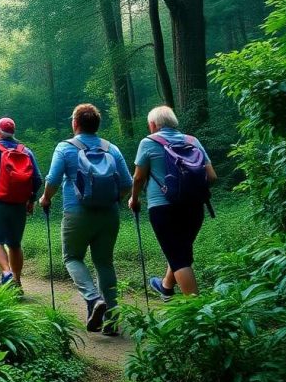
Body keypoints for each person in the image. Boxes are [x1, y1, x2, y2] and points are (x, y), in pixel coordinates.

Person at [39, 104, 133, 335]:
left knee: (72, 257)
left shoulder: (65, 148)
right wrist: (112, 199)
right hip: (109, 215)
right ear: (97, 124)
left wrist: (45, 198)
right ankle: (111, 321)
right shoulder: (112, 149)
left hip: (76, 214)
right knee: (104, 263)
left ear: (75, 123)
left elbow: (52, 179)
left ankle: (93, 300)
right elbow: (128, 184)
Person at [129, 106, 217, 299]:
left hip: (163, 208)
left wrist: (134, 199)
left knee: (178, 257)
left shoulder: (148, 142)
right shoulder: (192, 141)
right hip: (194, 207)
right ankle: (166, 287)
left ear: (153, 125)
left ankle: (198, 313)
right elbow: (211, 176)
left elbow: (137, 178)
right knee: (182, 250)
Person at [0, 117, 43, 287]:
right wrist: (31, 199)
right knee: (14, 244)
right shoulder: (26, 151)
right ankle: (17, 284)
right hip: (19, 205)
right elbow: (38, 179)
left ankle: (7, 274)